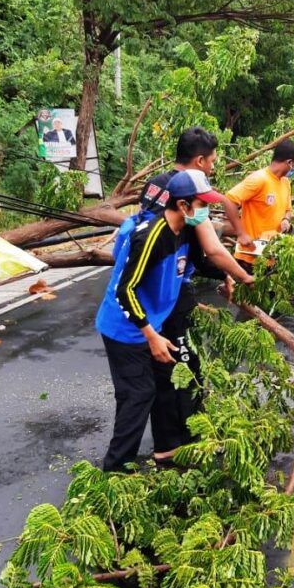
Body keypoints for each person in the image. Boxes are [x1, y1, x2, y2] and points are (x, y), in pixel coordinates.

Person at [95, 169, 240, 472]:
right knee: (137, 395)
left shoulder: (186, 231)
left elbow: (201, 263)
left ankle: (166, 451)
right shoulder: (151, 236)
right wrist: (150, 335)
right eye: (201, 206)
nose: (206, 213)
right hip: (125, 328)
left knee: (166, 382)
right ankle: (115, 473)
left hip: (153, 325)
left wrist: (227, 274)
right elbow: (126, 289)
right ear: (184, 206)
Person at [136, 127, 254, 453]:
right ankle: (183, 445)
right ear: (199, 161)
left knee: (168, 371)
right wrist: (244, 277)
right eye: (212, 162)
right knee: (184, 369)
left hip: (155, 292)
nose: (213, 168)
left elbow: (198, 253)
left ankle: (171, 444)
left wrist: (223, 272)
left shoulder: (154, 186)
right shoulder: (188, 197)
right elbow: (211, 250)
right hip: (170, 294)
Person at [224, 139, 294, 272]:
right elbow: (229, 200)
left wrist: (286, 219)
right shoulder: (259, 179)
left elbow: (288, 209)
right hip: (250, 257)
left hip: (272, 256)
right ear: (289, 163)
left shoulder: (285, 182)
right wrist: (241, 233)